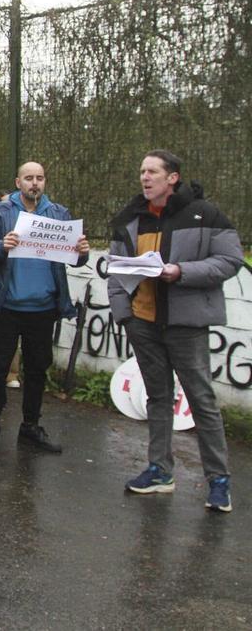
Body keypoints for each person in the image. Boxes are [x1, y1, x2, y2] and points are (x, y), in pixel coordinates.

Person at [109, 150, 242, 511]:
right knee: (157, 397)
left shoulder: (205, 214)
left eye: (152, 171)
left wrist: (181, 271)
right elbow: (115, 270)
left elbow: (230, 260)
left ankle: (219, 480)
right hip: (143, 322)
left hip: (186, 324)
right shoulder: (130, 218)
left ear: (173, 177)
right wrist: (125, 316)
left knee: (201, 400)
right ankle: (160, 471)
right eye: (142, 171)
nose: (144, 177)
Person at [0, 163, 89, 453]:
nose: (34, 183)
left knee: (38, 368)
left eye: (39, 178)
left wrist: (82, 253)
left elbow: (74, 258)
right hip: (6, 305)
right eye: (29, 178)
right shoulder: (0, 212)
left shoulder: (58, 214)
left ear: (45, 182)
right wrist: (2, 245)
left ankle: (30, 425)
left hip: (43, 307)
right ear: (18, 182)